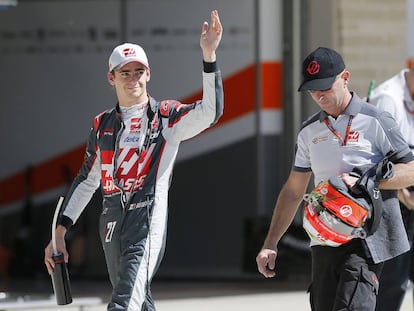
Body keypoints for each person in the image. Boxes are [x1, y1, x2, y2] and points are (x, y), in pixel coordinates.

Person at [44, 10, 223, 311]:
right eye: (125, 73)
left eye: (139, 71)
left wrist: (209, 56)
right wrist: (59, 233)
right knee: (139, 302)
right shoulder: (102, 125)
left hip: (146, 221)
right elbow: (87, 181)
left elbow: (210, 112)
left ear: (149, 74)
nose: (133, 79)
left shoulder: (165, 116)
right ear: (111, 78)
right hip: (111, 223)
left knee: (124, 302)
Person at [256, 46, 414, 311]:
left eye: (325, 87)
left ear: (345, 78)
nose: (319, 95)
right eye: (312, 89)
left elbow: (410, 169)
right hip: (324, 239)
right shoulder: (309, 131)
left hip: (366, 240)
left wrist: (368, 181)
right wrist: (270, 243)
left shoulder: (376, 119)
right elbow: (294, 191)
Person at [369, 66, 414, 311]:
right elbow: (374, 160)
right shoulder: (388, 99)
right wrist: (402, 194)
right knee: (393, 283)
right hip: (394, 204)